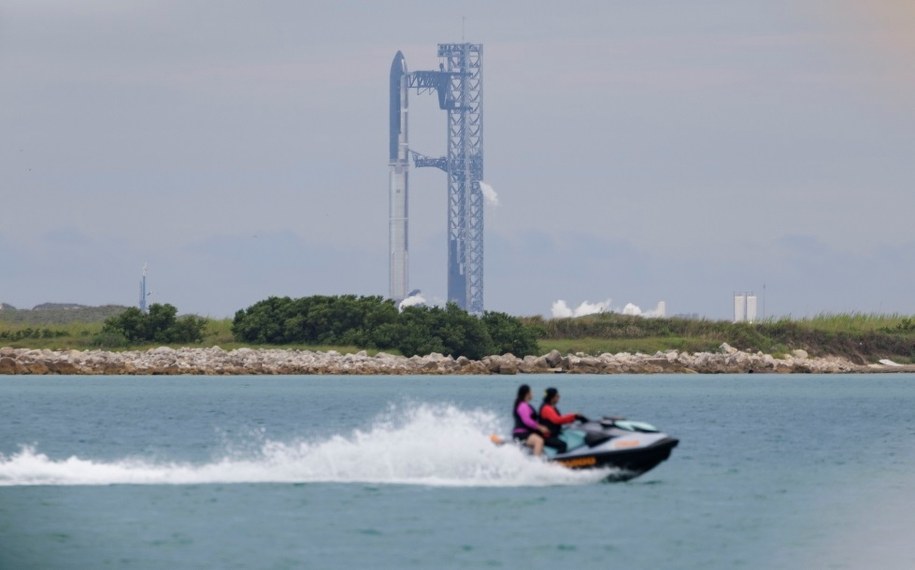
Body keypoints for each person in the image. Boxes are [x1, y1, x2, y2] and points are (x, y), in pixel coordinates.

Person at [538, 387, 584, 454]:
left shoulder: (551, 407)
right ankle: (557, 463)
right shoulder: (546, 408)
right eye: (557, 396)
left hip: (553, 434)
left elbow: (560, 418)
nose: (559, 397)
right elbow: (557, 420)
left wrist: (573, 418)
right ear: (552, 397)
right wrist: (573, 416)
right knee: (562, 445)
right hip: (547, 437)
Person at [512, 384, 549, 456]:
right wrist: (540, 427)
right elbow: (527, 420)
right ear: (527, 394)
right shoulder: (523, 405)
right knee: (539, 441)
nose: (533, 394)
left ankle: (542, 461)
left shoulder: (525, 405)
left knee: (540, 444)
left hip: (525, 433)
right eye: (531, 392)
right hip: (521, 433)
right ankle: (536, 463)